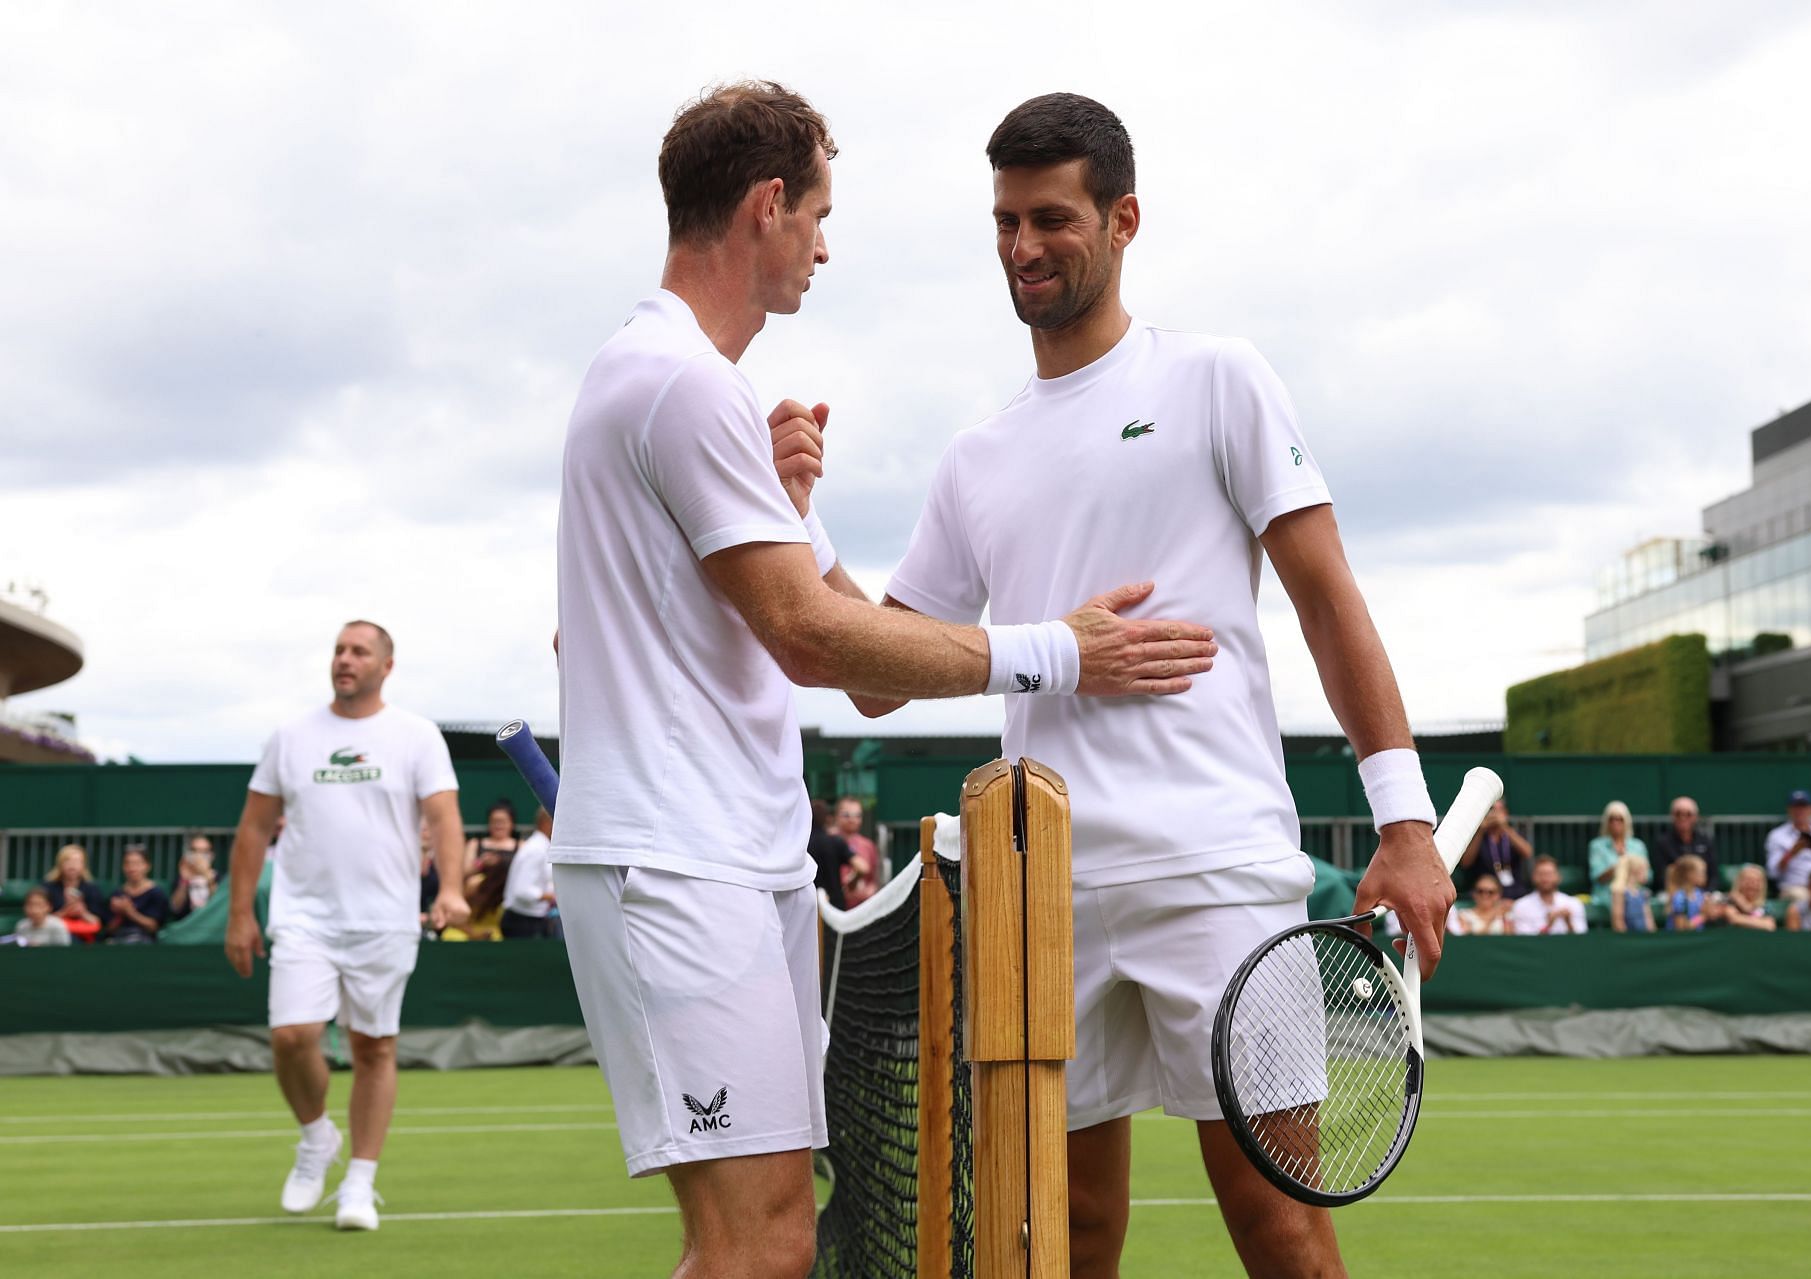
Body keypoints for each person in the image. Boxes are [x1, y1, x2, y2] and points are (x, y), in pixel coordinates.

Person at [547, 83, 1217, 1279]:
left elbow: (817, 649)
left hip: (723, 862)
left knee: (773, 1241)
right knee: (753, 1246)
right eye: (814, 212)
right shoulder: (684, 382)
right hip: (677, 864)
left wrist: (791, 510)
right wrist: (1062, 649)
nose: (822, 241)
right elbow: (815, 643)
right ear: (765, 206)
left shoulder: (680, 388)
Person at [832, 93, 1452, 1278]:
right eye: (1005, 223)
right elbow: (873, 672)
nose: (1023, 249)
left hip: (1215, 871)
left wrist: (1406, 823)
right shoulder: (976, 454)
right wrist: (793, 515)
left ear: (1123, 220)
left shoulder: (1220, 378)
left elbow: (1329, 599)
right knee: (1062, 1237)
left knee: (1281, 1227)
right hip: (1037, 896)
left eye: (1051, 219)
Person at [223, 620, 468, 1231]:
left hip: (385, 919)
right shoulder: (292, 735)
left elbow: (444, 816)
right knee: (291, 1036)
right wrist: (239, 913)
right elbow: (254, 827)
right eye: (338, 650)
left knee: (374, 1048)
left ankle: (359, 1183)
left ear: (386, 665)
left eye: (359, 651)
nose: (344, 659)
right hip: (304, 916)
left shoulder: (416, 735)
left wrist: (456, 889)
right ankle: (315, 1139)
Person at [1459, 798, 1533, 900]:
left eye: (1499, 810)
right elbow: (1466, 863)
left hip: (1514, 890)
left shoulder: (1512, 833)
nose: (1495, 814)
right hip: (1486, 892)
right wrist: (1481, 830)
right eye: (1492, 810)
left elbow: (1528, 852)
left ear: (1505, 814)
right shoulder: (1477, 836)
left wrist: (1504, 827)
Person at [502, 808, 557, 939]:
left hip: (530, 921)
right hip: (522, 925)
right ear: (547, 822)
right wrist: (554, 897)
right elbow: (522, 891)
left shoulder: (540, 847)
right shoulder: (536, 850)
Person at [99, 844, 169, 943]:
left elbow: (153, 927)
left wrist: (130, 912)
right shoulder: (117, 893)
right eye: (128, 864)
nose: (132, 868)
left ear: (147, 866)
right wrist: (120, 915)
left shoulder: (156, 893)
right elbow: (109, 929)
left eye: (137, 864)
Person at [1588, 801, 1648, 910]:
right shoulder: (1596, 846)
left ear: (1627, 821)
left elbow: (1647, 876)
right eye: (1612, 819)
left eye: (1620, 819)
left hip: (1634, 893)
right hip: (1607, 896)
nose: (1616, 823)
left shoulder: (1638, 846)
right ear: (1606, 822)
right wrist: (1622, 866)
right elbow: (1597, 876)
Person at [42, 845, 105, 943]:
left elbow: (98, 922)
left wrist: (82, 912)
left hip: (86, 937)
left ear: (83, 865)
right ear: (60, 864)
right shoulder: (48, 887)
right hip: (54, 936)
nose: (72, 865)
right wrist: (64, 912)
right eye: (68, 861)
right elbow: (41, 920)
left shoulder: (92, 889)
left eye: (76, 861)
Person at [1651, 796, 1715, 891]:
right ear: (1672, 816)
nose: (1683, 818)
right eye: (1678, 814)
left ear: (1696, 817)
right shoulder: (1662, 842)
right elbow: (1661, 875)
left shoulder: (1705, 841)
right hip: (1673, 892)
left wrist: (1707, 892)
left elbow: (1713, 873)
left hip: (1702, 892)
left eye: (1688, 814)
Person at [1510, 857, 1588, 935]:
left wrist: (1568, 922)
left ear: (1558, 877)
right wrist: (1548, 925)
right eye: (1541, 874)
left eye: (1549, 874)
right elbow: (1525, 943)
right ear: (1533, 877)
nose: (1545, 878)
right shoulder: (1521, 906)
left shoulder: (1574, 904)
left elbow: (1581, 941)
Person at [807, 799, 853, 912]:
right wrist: (851, 883)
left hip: (809, 904)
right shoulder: (835, 842)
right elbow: (862, 867)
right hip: (835, 906)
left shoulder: (801, 845)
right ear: (828, 818)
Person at [833, 796, 879, 907]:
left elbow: (873, 880)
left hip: (862, 909)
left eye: (857, 815)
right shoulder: (828, 843)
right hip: (835, 908)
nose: (852, 819)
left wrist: (869, 891)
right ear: (836, 816)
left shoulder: (868, 845)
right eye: (846, 815)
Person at [171, 833, 220, 919]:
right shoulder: (181, 878)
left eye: (204, 851)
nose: (199, 855)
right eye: (195, 851)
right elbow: (175, 908)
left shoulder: (219, 878)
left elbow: (219, 907)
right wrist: (184, 881)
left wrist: (208, 878)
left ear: (212, 855)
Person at [465, 798, 521, 873]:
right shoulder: (474, 844)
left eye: (503, 822)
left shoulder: (522, 846)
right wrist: (481, 863)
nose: (498, 825)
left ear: (512, 823)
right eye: (494, 821)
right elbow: (464, 872)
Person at [1447, 875, 1511, 935]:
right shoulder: (1464, 915)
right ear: (1474, 893)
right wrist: (1493, 916)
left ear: (1498, 894)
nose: (1485, 895)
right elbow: (1468, 940)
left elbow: (1510, 939)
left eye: (1490, 892)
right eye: (1480, 891)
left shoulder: (1505, 915)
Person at [1718, 864, 1776, 931]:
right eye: (1748, 880)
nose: (1752, 885)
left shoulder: (1765, 906)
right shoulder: (1729, 901)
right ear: (1739, 882)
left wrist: (1747, 908)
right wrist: (1760, 922)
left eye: (1757, 881)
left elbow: (1770, 925)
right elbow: (1733, 918)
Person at [1665, 854, 1713, 932]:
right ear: (1689, 875)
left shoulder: (1699, 893)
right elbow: (1681, 928)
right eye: (1701, 872)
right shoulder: (1679, 897)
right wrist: (1704, 916)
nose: (1705, 876)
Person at [1608, 853, 1654, 933]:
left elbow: (1649, 919)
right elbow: (1618, 920)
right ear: (1635, 871)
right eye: (1644, 870)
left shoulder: (1643, 893)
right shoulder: (1619, 892)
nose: (1646, 874)